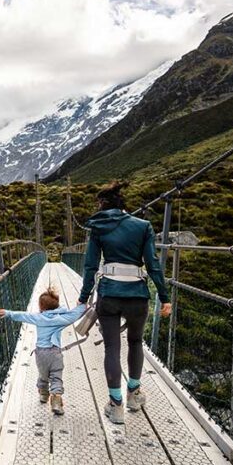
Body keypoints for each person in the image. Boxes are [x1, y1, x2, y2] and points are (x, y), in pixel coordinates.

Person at [77, 182, 171, 425]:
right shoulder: (143, 226)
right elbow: (153, 265)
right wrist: (165, 296)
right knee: (136, 342)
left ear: (103, 204)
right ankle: (134, 394)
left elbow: (89, 265)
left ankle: (115, 405)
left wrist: (83, 296)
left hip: (109, 295)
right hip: (137, 296)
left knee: (111, 348)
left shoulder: (98, 227)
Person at [0, 287, 85, 415]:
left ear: (41, 307)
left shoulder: (38, 318)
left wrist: (8, 313)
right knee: (56, 376)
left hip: (41, 353)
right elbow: (75, 315)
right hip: (55, 354)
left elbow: (24, 315)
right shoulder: (62, 318)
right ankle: (56, 400)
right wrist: (82, 306)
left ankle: (44, 395)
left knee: (43, 375)